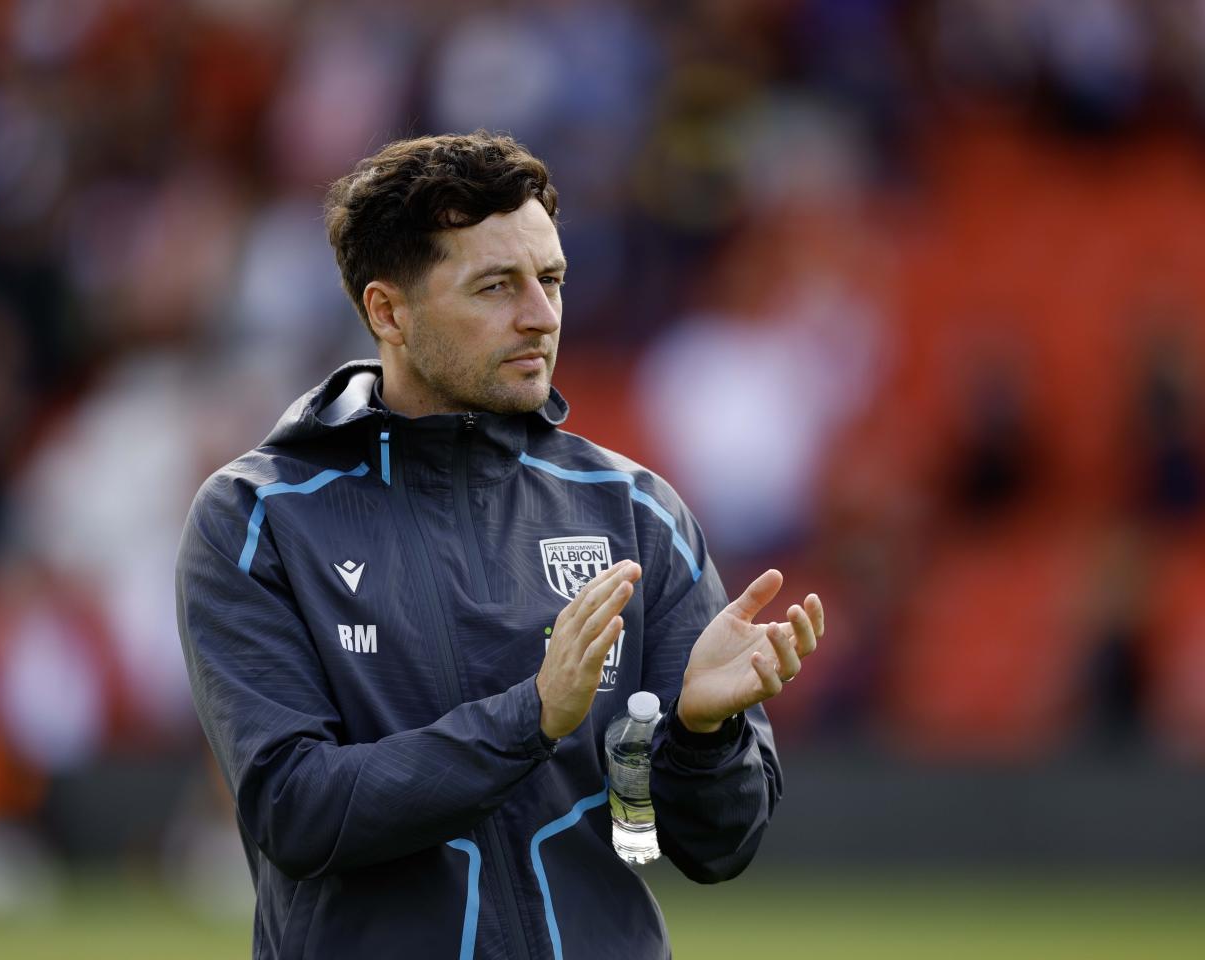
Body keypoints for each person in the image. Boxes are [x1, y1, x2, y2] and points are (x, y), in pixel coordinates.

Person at [175, 131, 824, 960]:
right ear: (388, 311)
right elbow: (297, 814)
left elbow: (708, 847)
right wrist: (532, 718)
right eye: (496, 286)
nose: (541, 315)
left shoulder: (633, 511)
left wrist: (705, 738)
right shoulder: (258, 517)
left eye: (550, 279)